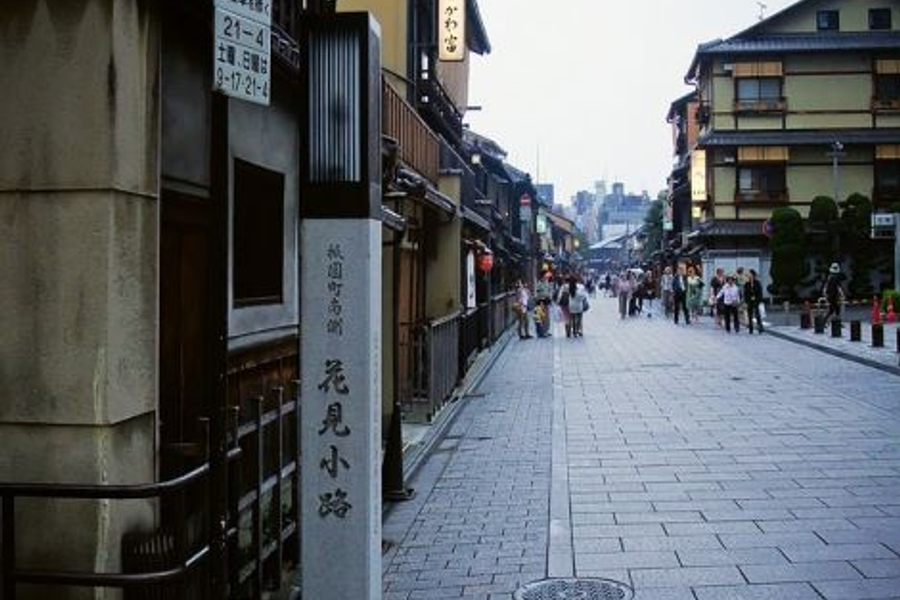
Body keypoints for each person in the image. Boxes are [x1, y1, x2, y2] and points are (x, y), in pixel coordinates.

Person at [744, 268, 765, 334]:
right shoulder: (747, 284)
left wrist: (759, 300)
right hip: (749, 301)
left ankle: (760, 327)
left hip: (756, 300)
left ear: (753, 275)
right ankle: (751, 328)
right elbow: (745, 293)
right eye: (748, 274)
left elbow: (760, 292)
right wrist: (746, 301)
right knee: (750, 315)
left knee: (757, 314)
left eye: (750, 274)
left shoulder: (757, 283)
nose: (748, 275)